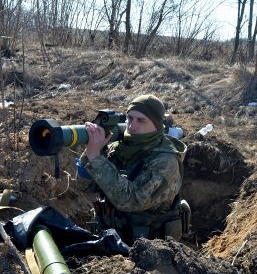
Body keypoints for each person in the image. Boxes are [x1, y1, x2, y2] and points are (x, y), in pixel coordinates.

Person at [78, 94, 187, 244]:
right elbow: (86, 187)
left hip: (150, 251)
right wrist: (90, 154)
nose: (132, 126)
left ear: (156, 124)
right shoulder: (119, 148)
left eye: (141, 120)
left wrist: (96, 159)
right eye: (130, 118)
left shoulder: (166, 161)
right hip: (111, 241)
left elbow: (131, 200)